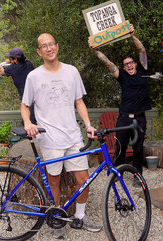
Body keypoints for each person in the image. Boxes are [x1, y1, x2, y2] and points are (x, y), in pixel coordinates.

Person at [21, 33, 102, 239]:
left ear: (57, 47)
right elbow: (24, 106)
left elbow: (79, 102)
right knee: (54, 180)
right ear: (39, 52)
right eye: (44, 46)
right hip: (49, 138)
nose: (49, 48)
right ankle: (57, 217)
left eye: (51, 44)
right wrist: (28, 122)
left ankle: (80, 216)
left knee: (83, 179)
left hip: (73, 135)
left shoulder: (72, 71)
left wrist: (88, 125)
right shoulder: (34, 76)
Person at [88, 24, 151, 179]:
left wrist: (131, 35)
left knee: (138, 148)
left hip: (139, 118)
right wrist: (95, 50)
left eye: (131, 63)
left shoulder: (143, 70)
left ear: (135, 64)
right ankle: (118, 174)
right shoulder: (122, 75)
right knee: (120, 146)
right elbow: (108, 63)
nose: (129, 65)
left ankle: (138, 177)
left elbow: (142, 50)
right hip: (124, 118)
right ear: (124, 67)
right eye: (126, 64)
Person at [0, 48, 36, 124]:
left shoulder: (12, 68)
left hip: (26, 99)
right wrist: (10, 61)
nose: (9, 60)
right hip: (35, 96)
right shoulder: (29, 64)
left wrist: (0, 67)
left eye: (10, 58)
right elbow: (22, 62)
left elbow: (2, 72)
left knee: (28, 122)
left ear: (15, 60)